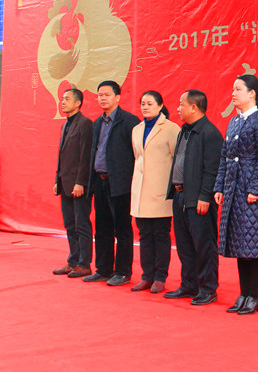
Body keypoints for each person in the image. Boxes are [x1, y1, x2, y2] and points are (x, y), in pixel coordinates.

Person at [213, 75, 258, 315]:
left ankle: (254, 294)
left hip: (253, 193)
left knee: (255, 244)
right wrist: (219, 187)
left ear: (252, 93)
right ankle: (244, 293)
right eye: (233, 89)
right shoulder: (234, 121)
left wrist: (255, 188)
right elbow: (224, 157)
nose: (233, 93)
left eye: (238, 89)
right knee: (241, 242)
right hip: (234, 190)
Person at [164, 90, 223, 305]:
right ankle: (189, 285)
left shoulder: (209, 133)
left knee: (204, 245)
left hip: (199, 199)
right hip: (180, 196)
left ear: (193, 107)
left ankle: (208, 289)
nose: (178, 109)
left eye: (181, 104)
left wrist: (205, 196)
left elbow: (213, 169)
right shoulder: (184, 131)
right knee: (184, 245)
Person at [84, 80, 139, 286]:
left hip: (121, 183)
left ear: (117, 97)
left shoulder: (129, 122)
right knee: (102, 227)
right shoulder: (97, 123)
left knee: (122, 229)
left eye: (107, 94)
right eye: (100, 95)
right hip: (100, 181)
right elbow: (94, 152)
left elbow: (136, 154)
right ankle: (103, 269)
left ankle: (123, 272)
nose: (103, 98)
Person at [130, 91, 180, 293]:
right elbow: (137, 158)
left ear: (160, 106)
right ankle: (146, 276)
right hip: (141, 190)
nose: (145, 107)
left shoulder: (171, 128)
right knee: (144, 235)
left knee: (160, 234)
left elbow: (177, 159)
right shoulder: (136, 129)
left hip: (160, 191)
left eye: (150, 103)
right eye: (143, 103)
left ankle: (160, 276)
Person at [52, 88, 94, 279]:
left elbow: (86, 156)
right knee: (70, 224)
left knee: (81, 224)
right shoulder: (65, 125)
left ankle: (84, 264)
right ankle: (73, 261)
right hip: (65, 182)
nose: (63, 102)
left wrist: (81, 182)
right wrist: (57, 180)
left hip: (78, 185)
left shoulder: (85, 124)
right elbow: (62, 156)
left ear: (78, 103)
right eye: (62, 99)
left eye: (67, 99)